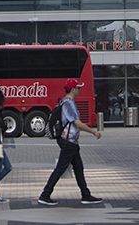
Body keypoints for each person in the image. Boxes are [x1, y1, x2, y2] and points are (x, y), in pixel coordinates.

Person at [37, 78, 103, 206]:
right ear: (73, 89)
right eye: (78, 88)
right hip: (69, 142)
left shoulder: (65, 102)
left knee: (78, 168)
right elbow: (77, 123)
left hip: (70, 142)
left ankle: (86, 195)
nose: (80, 90)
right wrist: (93, 131)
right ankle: (45, 195)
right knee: (61, 168)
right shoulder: (68, 103)